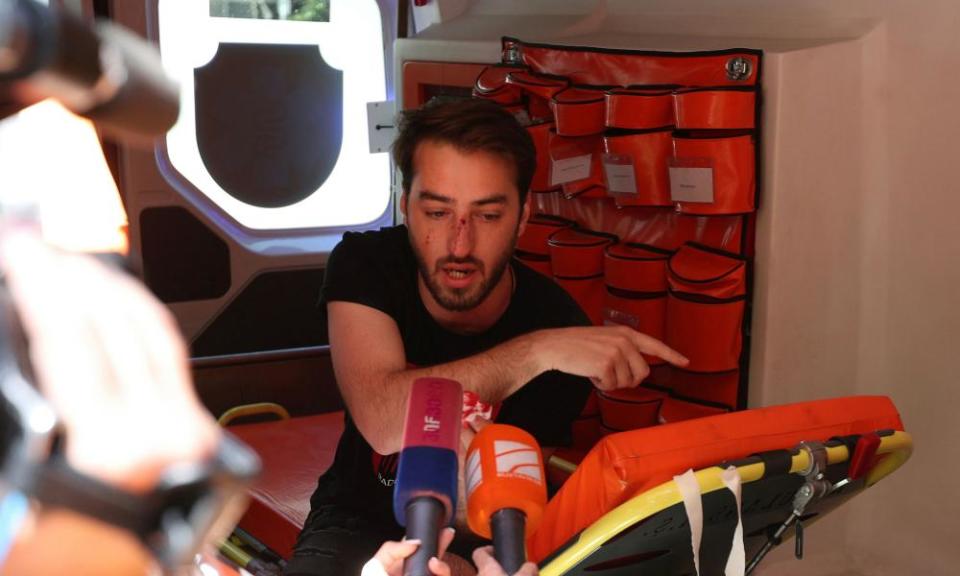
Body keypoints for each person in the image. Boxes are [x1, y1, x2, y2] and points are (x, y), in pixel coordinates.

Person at [286, 99, 688, 576]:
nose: (459, 245)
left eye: (488, 216)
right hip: (354, 521)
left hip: (479, 536)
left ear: (523, 217)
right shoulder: (366, 265)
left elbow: (500, 508)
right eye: (437, 212)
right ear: (405, 206)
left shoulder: (557, 323)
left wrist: (456, 566)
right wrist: (537, 350)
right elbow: (382, 417)